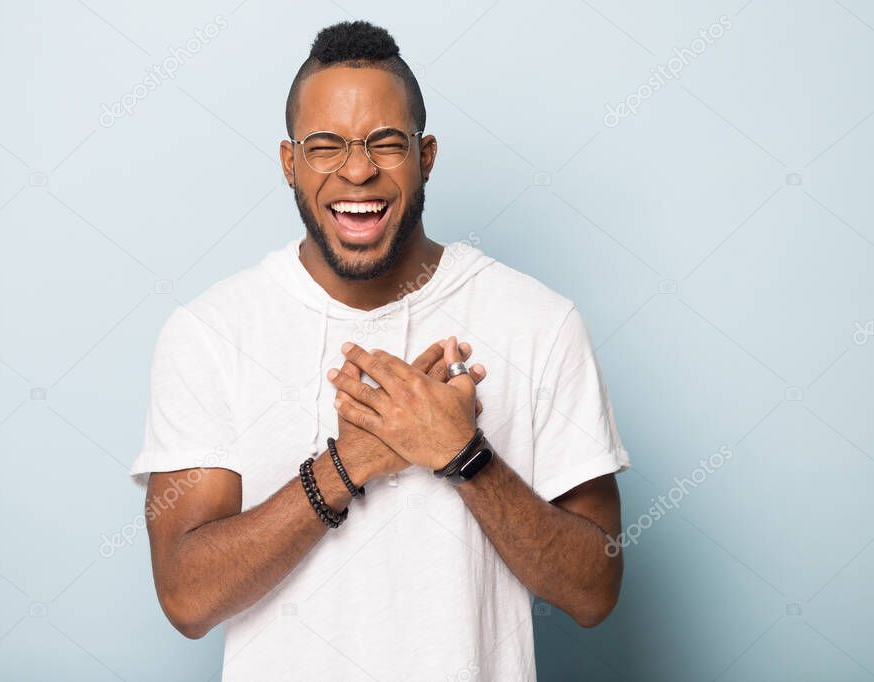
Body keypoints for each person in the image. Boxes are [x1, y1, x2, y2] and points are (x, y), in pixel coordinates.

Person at [130, 20, 630, 681]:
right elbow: (186, 598)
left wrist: (463, 456)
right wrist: (351, 462)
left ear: (425, 156)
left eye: (385, 144)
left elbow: (593, 591)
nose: (357, 170)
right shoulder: (210, 331)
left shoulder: (538, 321)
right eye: (325, 146)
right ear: (289, 163)